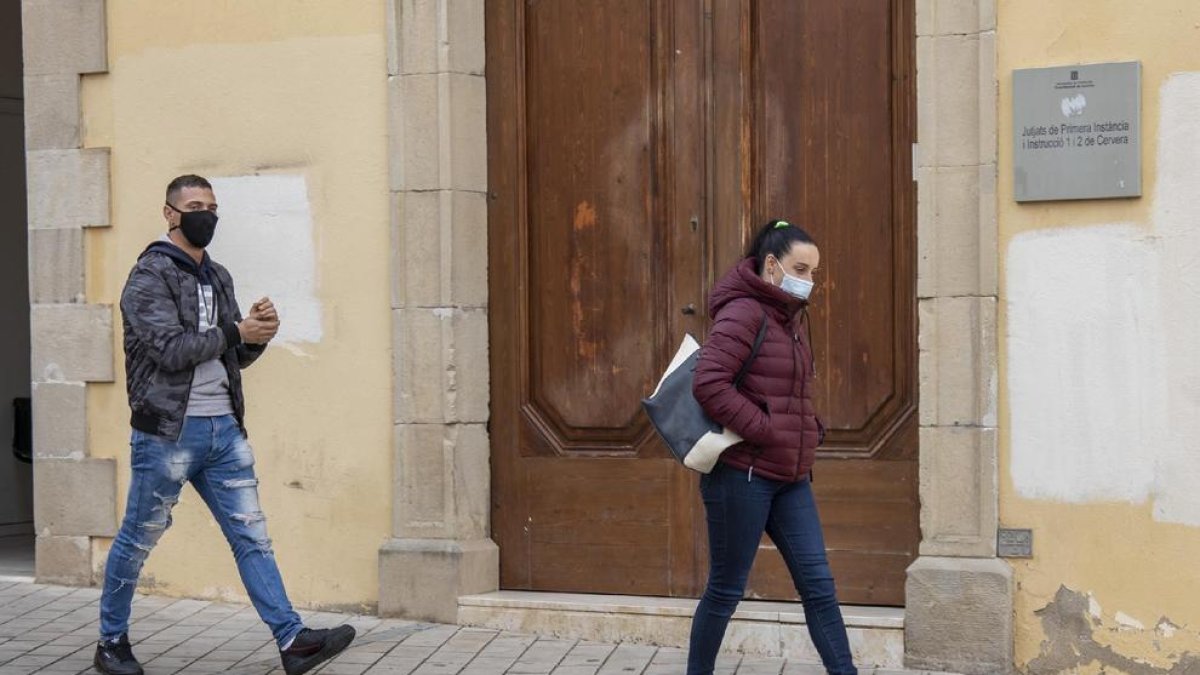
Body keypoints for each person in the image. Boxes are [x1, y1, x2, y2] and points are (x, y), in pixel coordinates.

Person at [94, 175, 355, 675]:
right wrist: (236, 329)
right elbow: (168, 351)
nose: (206, 215)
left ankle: (293, 640)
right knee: (137, 538)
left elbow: (229, 355)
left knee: (251, 536)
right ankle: (111, 643)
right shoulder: (148, 275)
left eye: (213, 207)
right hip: (168, 434)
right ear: (170, 214)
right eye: (195, 206)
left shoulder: (218, 276)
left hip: (224, 430)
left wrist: (256, 335)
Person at [687, 219, 855, 674]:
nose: (810, 280)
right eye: (802, 268)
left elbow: (785, 390)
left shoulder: (789, 317)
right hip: (742, 476)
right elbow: (709, 384)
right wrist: (765, 428)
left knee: (818, 586)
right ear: (772, 265)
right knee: (726, 589)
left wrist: (806, 425)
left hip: (790, 476)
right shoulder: (744, 312)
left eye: (815, 271)